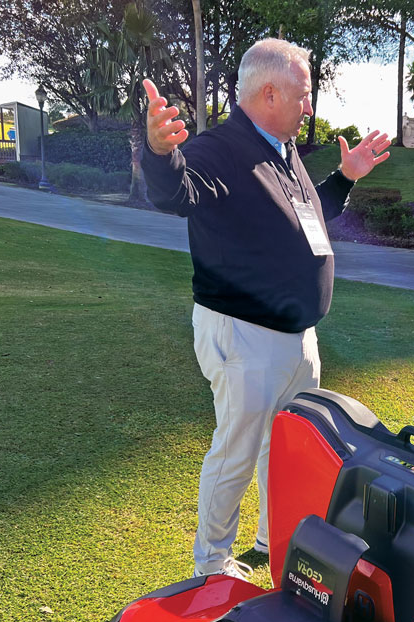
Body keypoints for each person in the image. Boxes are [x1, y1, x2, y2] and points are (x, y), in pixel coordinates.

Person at [141, 39, 390, 580]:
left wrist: (344, 178)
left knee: (288, 448)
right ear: (269, 92)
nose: (309, 106)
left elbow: (302, 216)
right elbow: (176, 192)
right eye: (303, 95)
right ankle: (211, 564)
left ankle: (271, 537)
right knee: (237, 451)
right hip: (245, 334)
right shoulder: (224, 148)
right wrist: (160, 154)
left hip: (298, 337)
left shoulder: (284, 150)